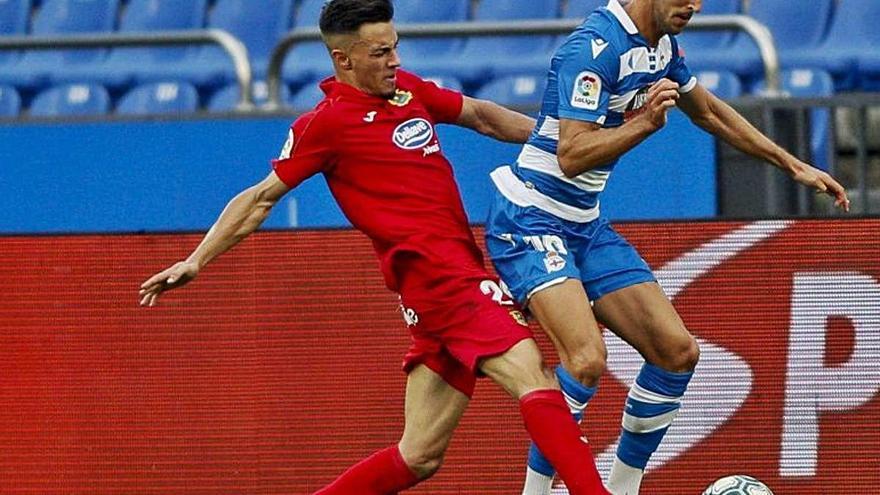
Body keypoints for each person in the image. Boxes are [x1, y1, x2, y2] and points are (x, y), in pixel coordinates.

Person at [139, 1, 611, 493]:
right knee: (533, 376)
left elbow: (479, 115)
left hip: (441, 285)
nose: (395, 61)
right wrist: (197, 259)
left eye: (396, 48)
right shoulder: (325, 124)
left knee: (420, 455)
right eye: (381, 52)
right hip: (441, 279)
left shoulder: (408, 92)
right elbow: (259, 199)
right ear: (344, 60)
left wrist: (551, 140)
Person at [483, 0, 852, 494]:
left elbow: (709, 111)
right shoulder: (594, 47)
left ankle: (623, 487)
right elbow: (571, 155)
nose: (694, 5)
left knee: (675, 352)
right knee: (586, 358)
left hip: (583, 222)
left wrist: (792, 165)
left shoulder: (661, 46)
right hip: (529, 217)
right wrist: (642, 124)